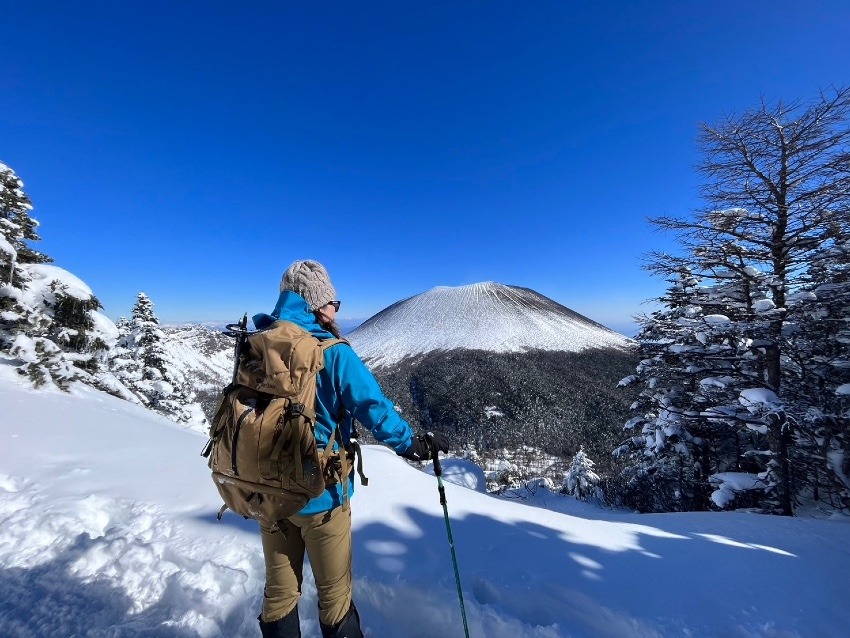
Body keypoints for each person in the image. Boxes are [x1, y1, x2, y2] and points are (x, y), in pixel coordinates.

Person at [252, 259, 449, 638]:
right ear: (317, 306)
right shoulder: (333, 352)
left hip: (268, 492)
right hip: (320, 496)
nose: (335, 310)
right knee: (335, 598)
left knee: (278, 594)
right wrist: (412, 444)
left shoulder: (259, 343)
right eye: (333, 303)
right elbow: (373, 407)